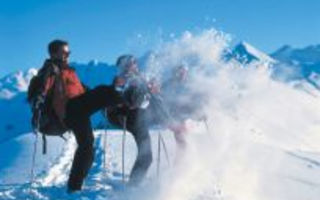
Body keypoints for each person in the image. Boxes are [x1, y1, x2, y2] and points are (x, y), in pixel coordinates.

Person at [30, 39, 124, 193]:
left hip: (78, 111)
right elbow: (43, 85)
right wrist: (38, 100)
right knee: (103, 91)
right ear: (54, 53)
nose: (68, 55)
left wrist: (101, 101)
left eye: (69, 52)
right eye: (65, 52)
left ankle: (74, 187)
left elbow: (83, 91)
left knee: (87, 147)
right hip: (71, 109)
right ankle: (126, 95)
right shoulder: (51, 68)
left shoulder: (69, 71)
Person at [106, 55, 153, 187]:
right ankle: (132, 187)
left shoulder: (138, 77)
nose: (135, 64)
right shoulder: (124, 80)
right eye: (131, 63)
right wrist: (147, 89)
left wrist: (150, 89)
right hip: (133, 119)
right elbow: (132, 102)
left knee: (147, 157)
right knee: (146, 156)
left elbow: (145, 99)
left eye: (135, 62)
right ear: (125, 65)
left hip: (139, 118)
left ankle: (133, 185)